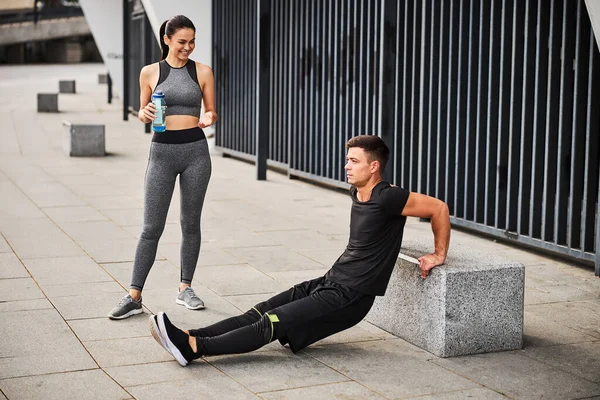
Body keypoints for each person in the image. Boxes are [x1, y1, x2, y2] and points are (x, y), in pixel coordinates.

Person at [149, 135, 450, 365]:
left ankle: (194, 350)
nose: (346, 166)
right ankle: (191, 335)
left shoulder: (389, 197)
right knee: (260, 310)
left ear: (374, 166)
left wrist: (438, 254)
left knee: (272, 323)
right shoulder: (358, 190)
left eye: (354, 161)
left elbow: (438, 208)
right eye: (347, 159)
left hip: (351, 295)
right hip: (331, 281)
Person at [108, 15, 217, 319]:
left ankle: (186, 288)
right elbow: (143, 112)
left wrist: (209, 118)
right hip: (162, 152)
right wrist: (144, 114)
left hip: (196, 152)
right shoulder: (150, 72)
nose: (188, 47)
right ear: (167, 40)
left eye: (192, 42)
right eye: (182, 41)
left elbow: (211, 111)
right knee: (151, 227)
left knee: (190, 222)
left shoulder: (204, 72)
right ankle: (133, 295)